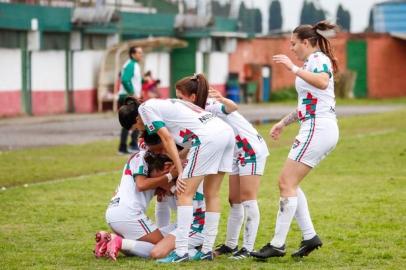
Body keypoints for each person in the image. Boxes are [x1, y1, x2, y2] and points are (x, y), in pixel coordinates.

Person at [251, 20, 340, 260]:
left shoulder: (318, 60)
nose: (291, 48)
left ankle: (277, 244)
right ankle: (309, 236)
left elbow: (322, 82)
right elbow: (308, 103)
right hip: (316, 127)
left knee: (285, 183)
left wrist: (292, 68)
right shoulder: (311, 62)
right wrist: (283, 122)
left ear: (307, 42)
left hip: (317, 128)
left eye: (294, 44)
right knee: (290, 184)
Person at [118, 96, 235, 262]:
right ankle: (207, 250)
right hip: (224, 131)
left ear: (137, 118)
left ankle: (181, 253)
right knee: (212, 194)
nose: (141, 130)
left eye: (136, 127)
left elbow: (167, 139)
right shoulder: (163, 102)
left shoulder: (145, 109)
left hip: (207, 138)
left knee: (184, 193)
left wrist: (180, 171)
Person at [175, 73, 269, 260]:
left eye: (180, 98)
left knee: (248, 198)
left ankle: (248, 248)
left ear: (192, 97)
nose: (177, 101)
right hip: (234, 152)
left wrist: (222, 98)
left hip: (249, 149)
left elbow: (232, 108)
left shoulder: (208, 105)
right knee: (234, 199)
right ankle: (230, 245)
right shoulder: (193, 111)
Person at [94, 133, 177, 260]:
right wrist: (170, 177)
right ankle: (119, 241)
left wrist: (164, 187)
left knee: (134, 249)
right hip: (129, 213)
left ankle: (108, 241)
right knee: (162, 247)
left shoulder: (147, 158)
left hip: (114, 211)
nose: (163, 152)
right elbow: (141, 185)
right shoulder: (142, 158)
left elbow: (159, 194)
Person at [117, 46, 143, 155]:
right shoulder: (131, 65)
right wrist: (132, 93)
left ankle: (127, 146)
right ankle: (129, 146)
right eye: (139, 53)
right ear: (132, 54)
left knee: (133, 121)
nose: (141, 55)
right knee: (134, 120)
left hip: (131, 96)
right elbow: (125, 80)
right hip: (128, 97)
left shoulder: (133, 64)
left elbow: (133, 80)